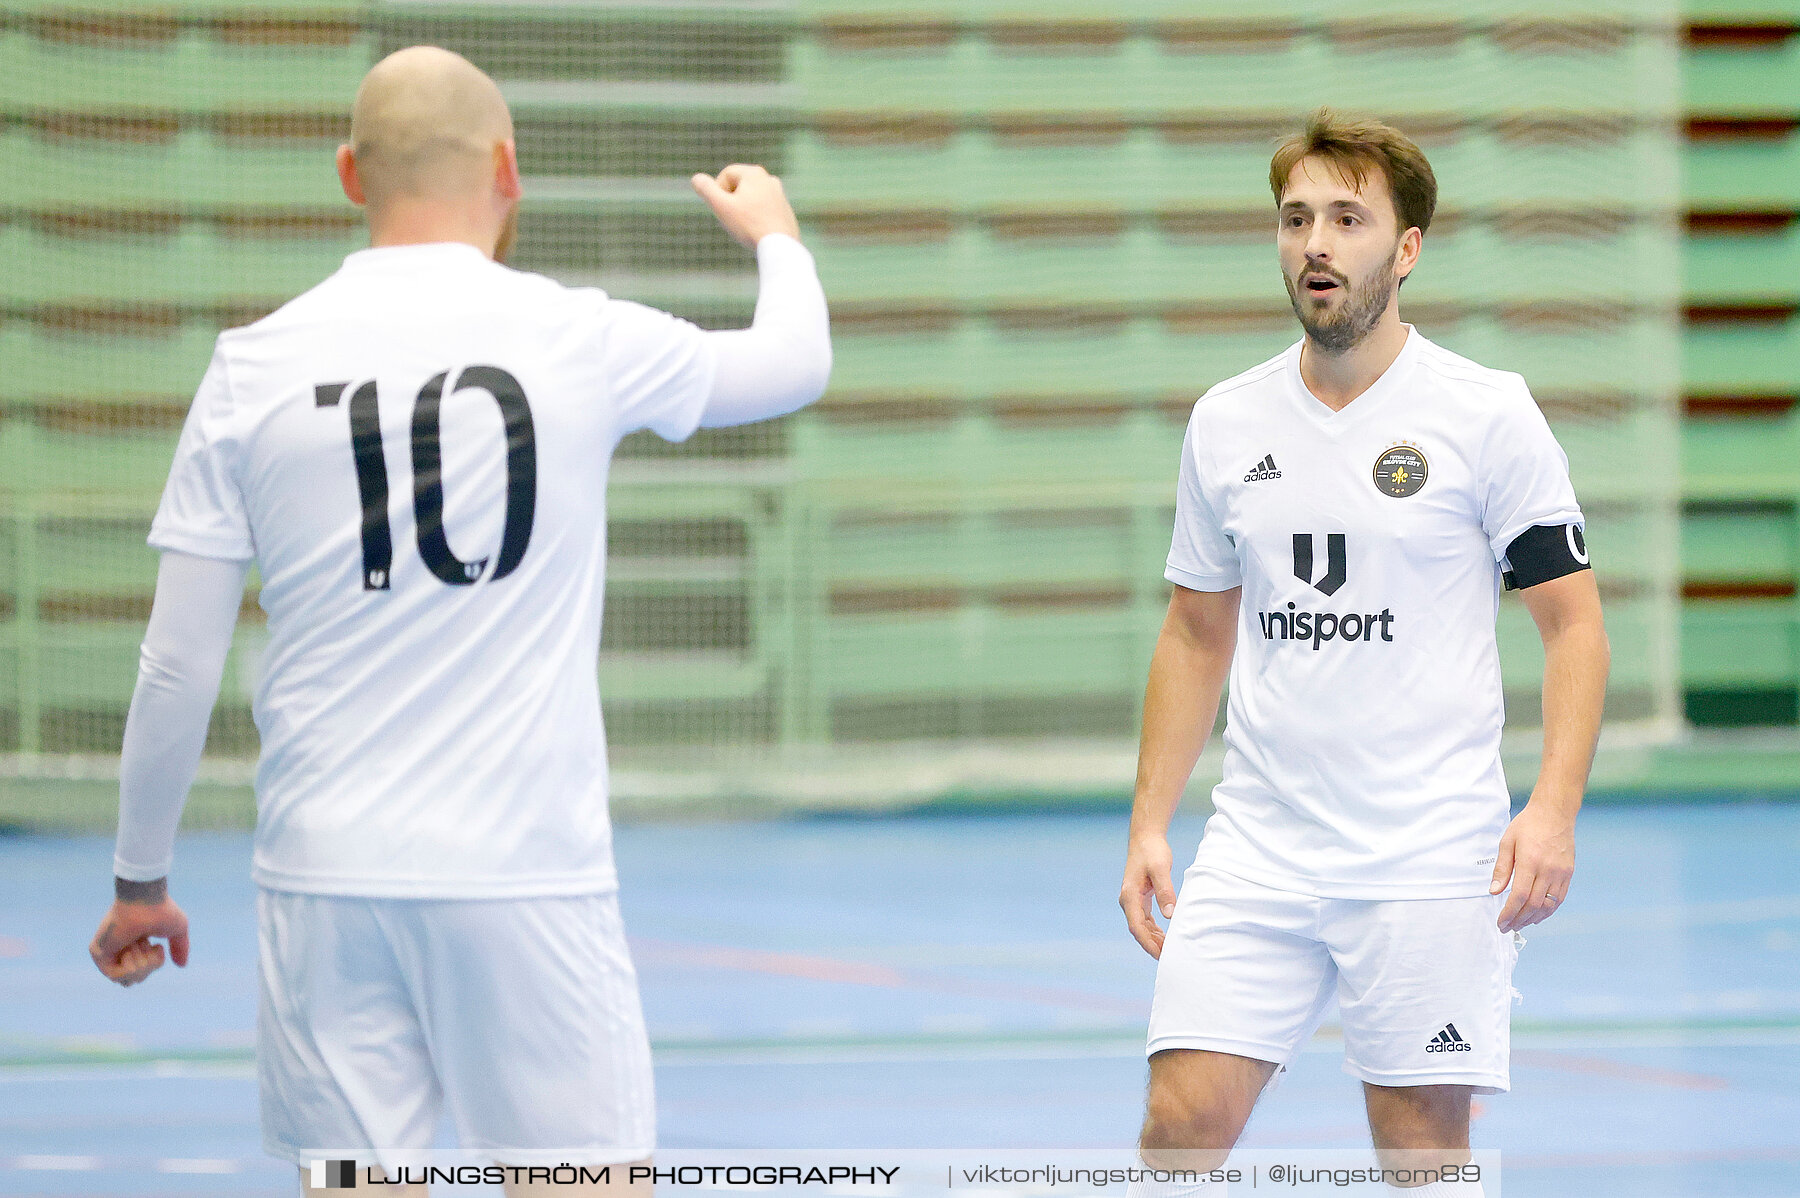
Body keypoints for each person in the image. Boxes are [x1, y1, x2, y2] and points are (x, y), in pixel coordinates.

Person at [85, 45, 830, 1196]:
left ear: (348, 174)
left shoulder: (251, 365)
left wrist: (141, 879)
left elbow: (176, 662)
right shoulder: (577, 336)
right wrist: (774, 231)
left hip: (323, 879)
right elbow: (794, 361)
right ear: (508, 169)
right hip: (525, 874)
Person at [1119, 110, 1609, 1198]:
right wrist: (1152, 818)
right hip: (1261, 841)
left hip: (1430, 852)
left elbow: (1573, 625)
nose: (1316, 245)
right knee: (1181, 1121)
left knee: (1423, 1152)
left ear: (1408, 247)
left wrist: (1554, 808)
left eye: (1347, 218)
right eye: (1296, 219)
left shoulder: (1487, 417)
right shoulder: (1226, 419)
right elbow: (1197, 629)